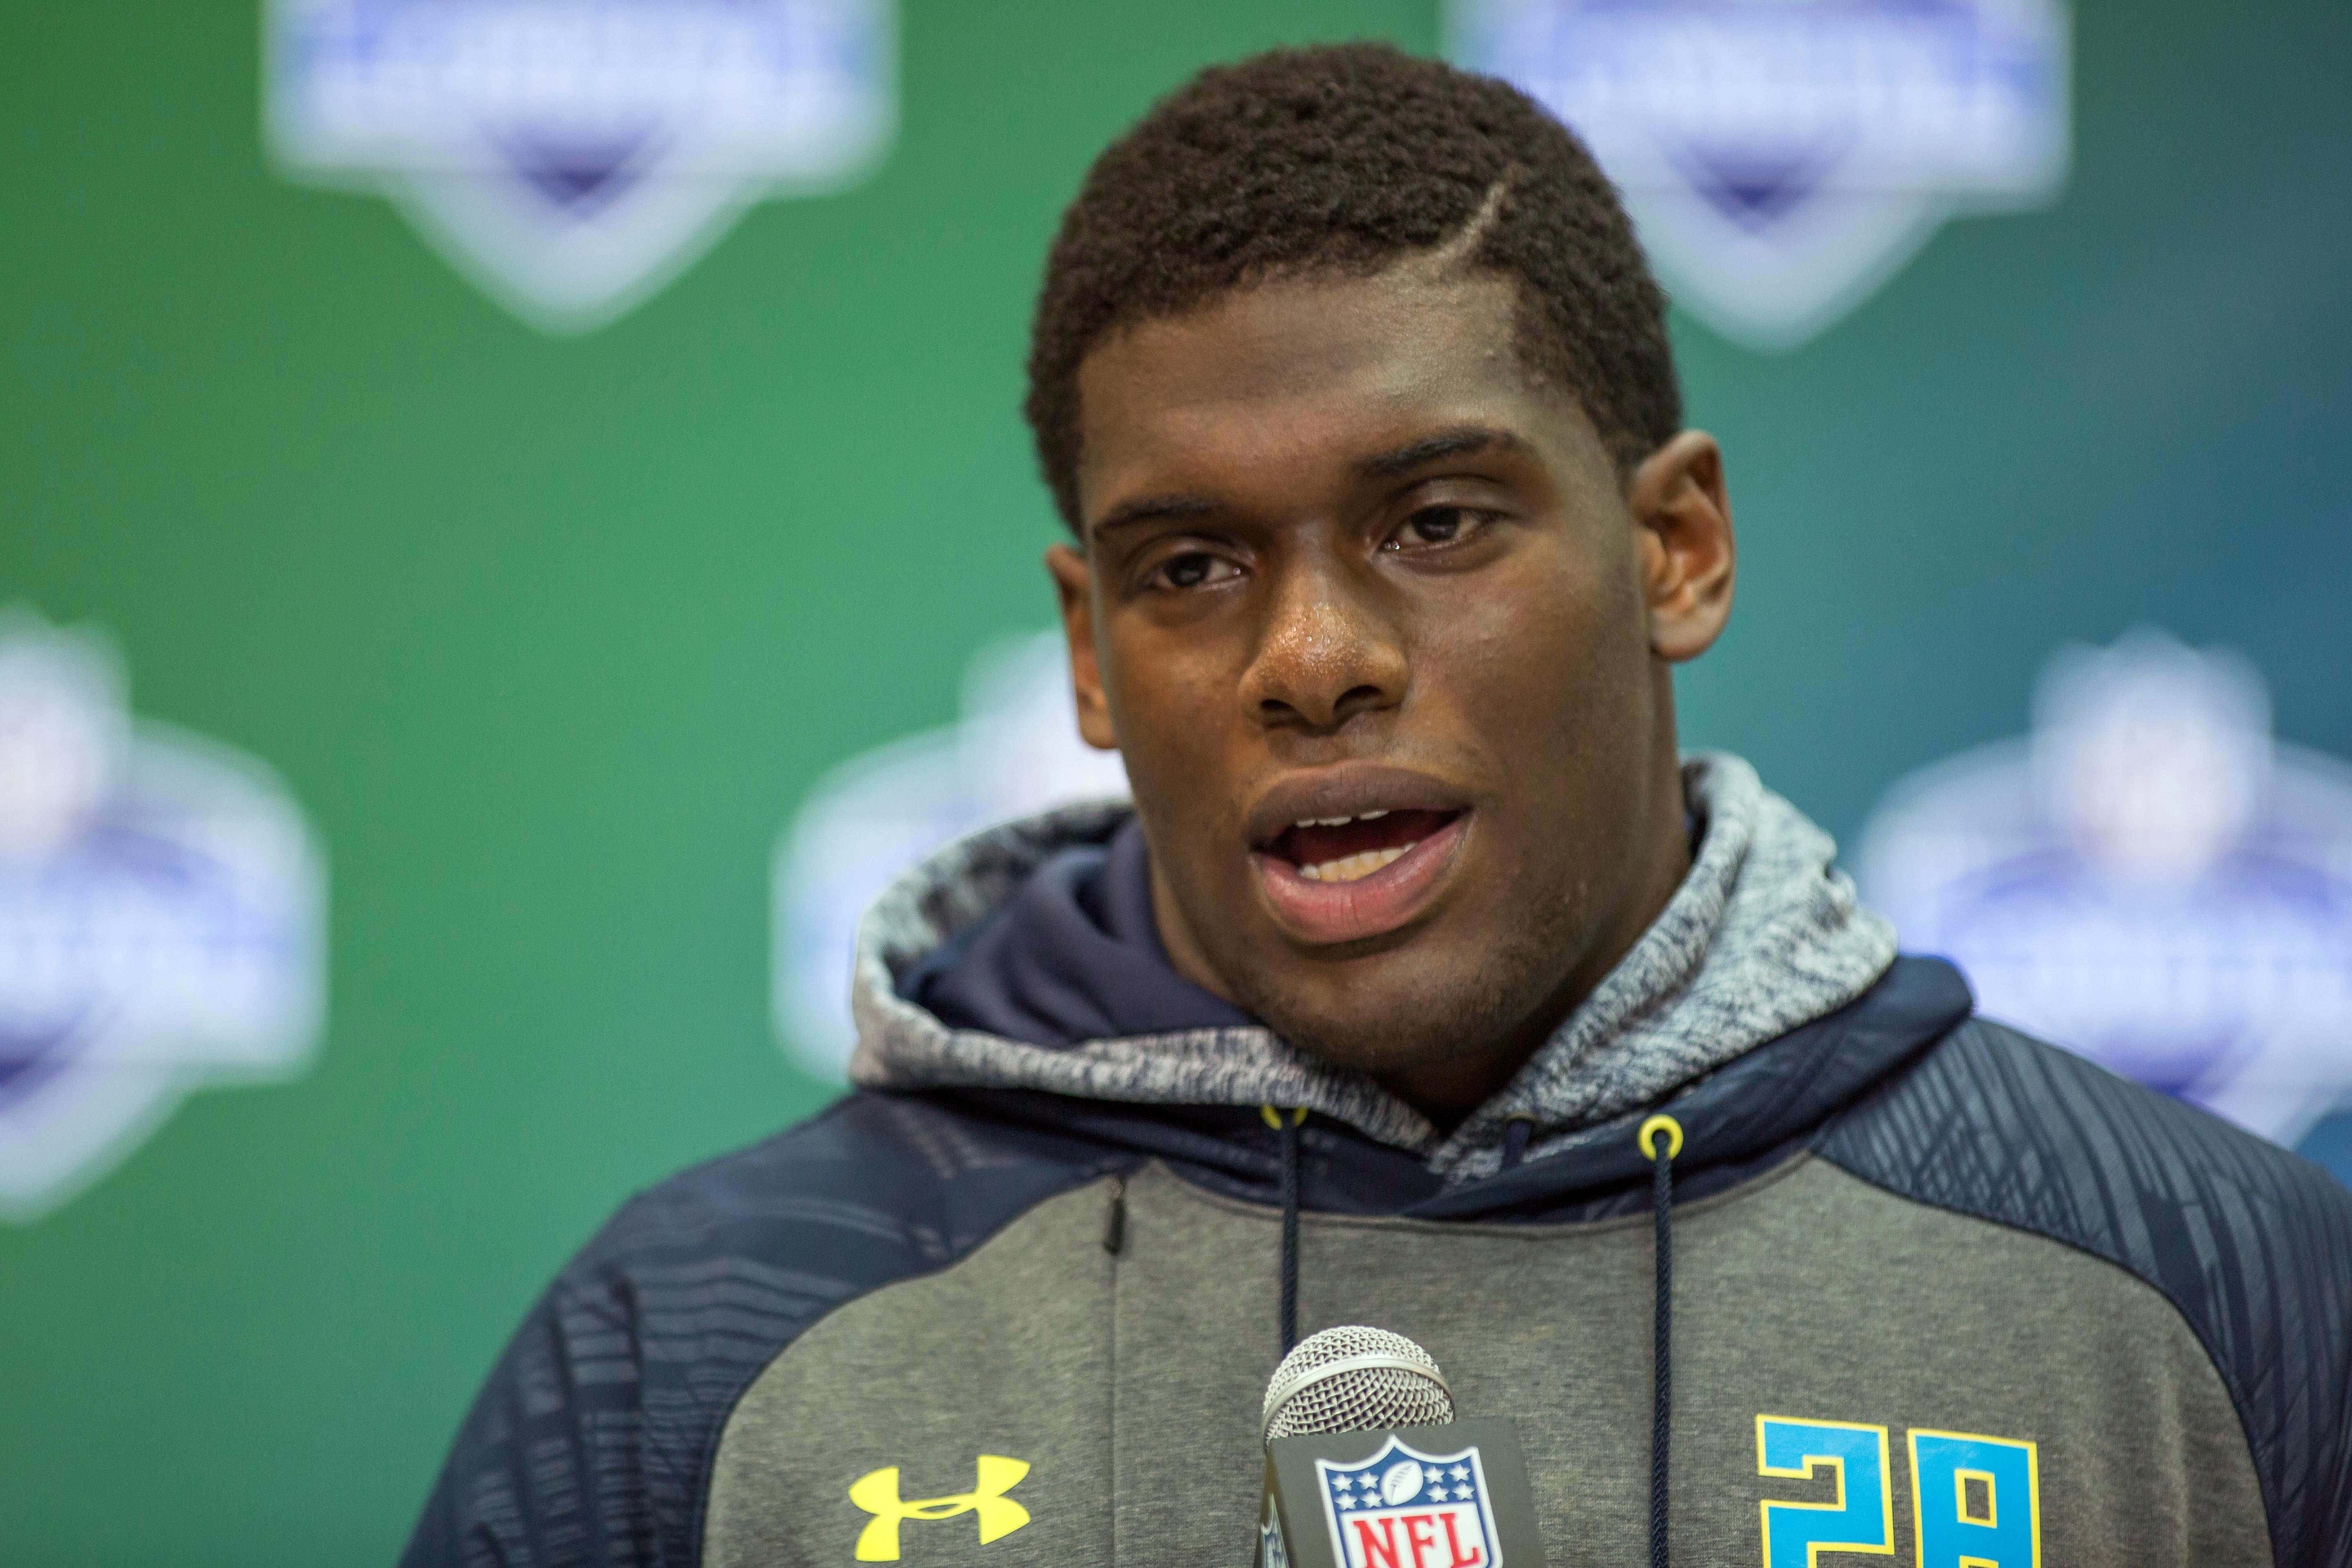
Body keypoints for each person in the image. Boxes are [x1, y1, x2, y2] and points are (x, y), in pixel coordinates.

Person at [401, 44, 2352, 1568]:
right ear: (1089, 654)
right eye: (1188, 568)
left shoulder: (2194, 1281)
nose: (1311, 655)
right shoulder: (706, 1343)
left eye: (1436, 523)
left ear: (1674, 547)